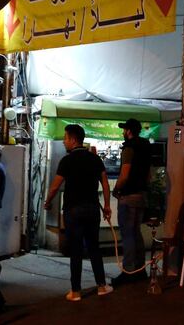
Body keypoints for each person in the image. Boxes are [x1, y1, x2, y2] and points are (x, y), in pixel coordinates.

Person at [44, 124, 113, 301]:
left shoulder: (67, 161)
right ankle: (101, 286)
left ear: (74, 140)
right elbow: (105, 184)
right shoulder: (95, 159)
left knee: (76, 249)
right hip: (92, 208)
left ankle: (75, 291)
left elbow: (55, 186)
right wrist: (106, 205)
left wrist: (47, 202)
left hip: (73, 209)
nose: (64, 142)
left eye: (66, 138)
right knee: (94, 247)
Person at [110, 118, 151, 286]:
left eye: (124, 129)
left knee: (128, 235)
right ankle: (140, 271)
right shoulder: (145, 146)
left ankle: (128, 272)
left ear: (128, 131)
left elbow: (125, 174)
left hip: (128, 197)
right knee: (136, 234)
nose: (123, 132)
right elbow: (148, 175)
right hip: (141, 196)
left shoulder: (129, 148)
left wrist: (116, 189)